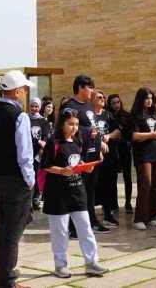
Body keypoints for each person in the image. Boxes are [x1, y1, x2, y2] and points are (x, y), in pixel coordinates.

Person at [0, 70, 36, 288]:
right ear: (16, 92)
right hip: (15, 179)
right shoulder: (19, 116)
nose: (24, 93)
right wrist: (30, 179)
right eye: (23, 89)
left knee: (5, 225)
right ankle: (7, 279)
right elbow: (24, 152)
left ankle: (6, 269)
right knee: (11, 230)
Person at [42, 109, 109, 279]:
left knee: (85, 228)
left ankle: (92, 262)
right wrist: (62, 171)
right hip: (58, 194)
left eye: (76, 124)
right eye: (70, 124)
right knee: (60, 232)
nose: (74, 127)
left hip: (77, 191)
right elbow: (46, 165)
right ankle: (60, 265)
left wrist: (86, 166)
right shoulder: (54, 142)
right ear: (62, 124)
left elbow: (76, 160)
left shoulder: (78, 141)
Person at [59, 75, 109, 236]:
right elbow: (66, 130)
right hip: (78, 156)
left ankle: (91, 221)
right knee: (77, 190)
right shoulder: (69, 106)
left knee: (90, 190)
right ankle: (74, 227)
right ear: (80, 87)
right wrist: (88, 133)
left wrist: (99, 149)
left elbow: (93, 127)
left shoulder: (88, 105)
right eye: (89, 87)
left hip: (93, 155)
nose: (92, 91)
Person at [125, 87, 156, 231]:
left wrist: (149, 135)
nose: (149, 101)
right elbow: (135, 136)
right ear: (140, 99)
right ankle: (139, 218)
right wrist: (152, 135)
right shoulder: (135, 116)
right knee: (145, 184)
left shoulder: (155, 115)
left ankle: (151, 216)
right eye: (146, 98)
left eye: (151, 98)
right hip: (143, 155)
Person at [93, 90, 121, 226]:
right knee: (94, 185)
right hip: (94, 157)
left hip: (109, 157)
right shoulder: (89, 115)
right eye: (99, 97)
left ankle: (108, 213)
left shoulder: (108, 115)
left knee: (109, 184)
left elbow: (117, 131)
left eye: (103, 98)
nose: (102, 99)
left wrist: (109, 136)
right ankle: (91, 216)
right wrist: (99, 142)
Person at [107, 94, 133, 214]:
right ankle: (113, 203)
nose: (116, 105)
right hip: (112, 149)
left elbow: (130, 132)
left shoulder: (127, 116)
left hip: (124, 149)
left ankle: (128, 202)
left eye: (118, 102)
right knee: (112, 177)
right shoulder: (108, 116)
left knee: (127, 177)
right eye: (113, 103)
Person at [28, 97, 50, 210]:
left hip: (39, 152)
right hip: (28, 151)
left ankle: (35, 198)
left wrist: (42, 149)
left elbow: (45, 136)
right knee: (28, 175)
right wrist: (37, 141)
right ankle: (28, 201)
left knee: (37, 174)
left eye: (36, 106)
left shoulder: (43, 121)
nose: (34, 108)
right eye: (32, 106)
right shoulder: (26, 119)